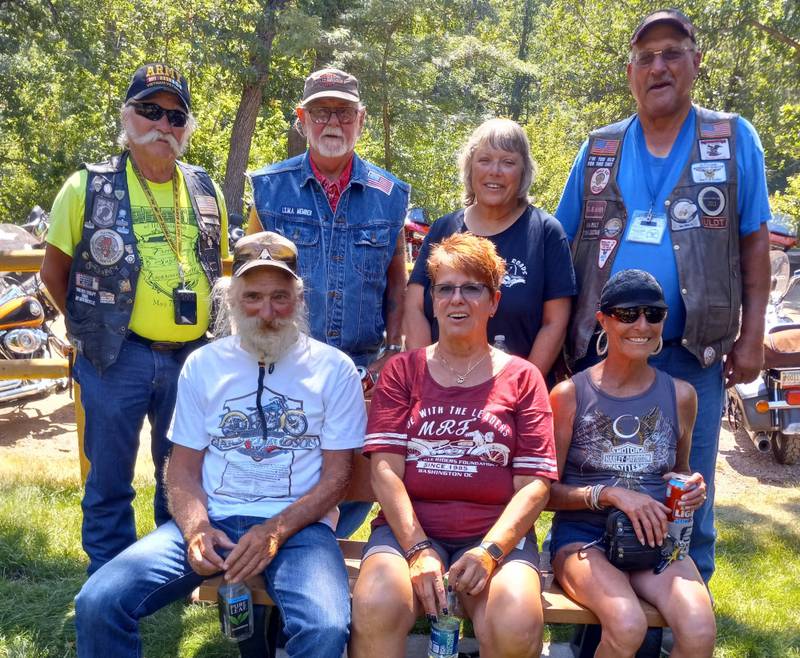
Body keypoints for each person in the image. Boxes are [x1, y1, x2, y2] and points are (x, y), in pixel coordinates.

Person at [73, 231, 366, 658]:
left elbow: (338, 477)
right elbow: (181, 468)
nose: (267, 312)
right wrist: (195, 530)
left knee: (323, 629)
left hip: (299, 529)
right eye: (252, 297)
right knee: (98, 601)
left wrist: (274, 531)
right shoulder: (203, 364)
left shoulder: (333, 369)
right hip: (215, 521)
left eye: (280, 297)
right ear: (230, 301)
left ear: (300, 300)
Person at [554, 9, 771, 582]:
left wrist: (751, 337)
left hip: (690, 351)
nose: (658, 67)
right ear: (630, 73)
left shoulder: (731, 138)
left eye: (672, 52)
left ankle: (681, 622)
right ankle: (596, 627)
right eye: (645, 57)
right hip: (603, 356)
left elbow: (753, 243)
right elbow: (560, 238)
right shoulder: (599, 148)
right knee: (596, 490)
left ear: (696, 63)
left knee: (686, 495)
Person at [40, 63, 228, 575]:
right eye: (150, 110)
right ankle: (108, 578)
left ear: (186, 127)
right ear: (127, 115)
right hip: (114, 356)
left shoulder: (207, 189)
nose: (162, 124)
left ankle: (170, 574)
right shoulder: (86, 186)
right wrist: (87, 331)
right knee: (110, 478)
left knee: (182, 474)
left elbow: (218, 270)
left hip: (192, 360)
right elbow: (53, 273)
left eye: (175, 115)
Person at [351, 233, 557, 658]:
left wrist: (489, 551)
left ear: (494, 301)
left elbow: (535, 484)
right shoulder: (403, 371)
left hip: (495, 534)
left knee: (516, 620)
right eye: (445, 288)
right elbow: (384, 470)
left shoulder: (522, 377)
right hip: (408, 532)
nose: (456, 299)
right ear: (433, 301)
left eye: (471, 288)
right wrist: (418, 549)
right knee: (375, 605)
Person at [247, 66, 410, 537]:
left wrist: (392, 354)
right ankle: (277, 584)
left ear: (360, 119)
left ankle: (319, 556)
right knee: (279, 477)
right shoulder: (269, 188)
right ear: (302, 118)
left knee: (353, 482)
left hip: (360, 371)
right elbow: (245, 283)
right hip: (284, 365)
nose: (332, 123)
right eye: (320, 112)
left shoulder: (390, 196)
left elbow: (397, 285)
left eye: (342, 112)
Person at [547, 269, 716, 658]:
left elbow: (681, 469)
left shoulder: (681, 395)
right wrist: (611, 495)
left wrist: (691, 488)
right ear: (603, 319)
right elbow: (545, 494)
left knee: (699, 630)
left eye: (653, 314)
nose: (642, 325)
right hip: (584, 540)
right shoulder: (570, 395)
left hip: (655, 542)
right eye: (627, 314)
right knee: (627, 624)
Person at [404, 118, 575, 379]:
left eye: (508, 162)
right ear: (470, 168)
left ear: (523, 172)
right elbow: (415, 306)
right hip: (441, 391)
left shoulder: (546, 233)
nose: (495, 171)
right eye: (484, 160)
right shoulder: (443, 228)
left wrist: (520, 389)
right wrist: (427, 379)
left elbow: (555, 324)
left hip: (517, 397)